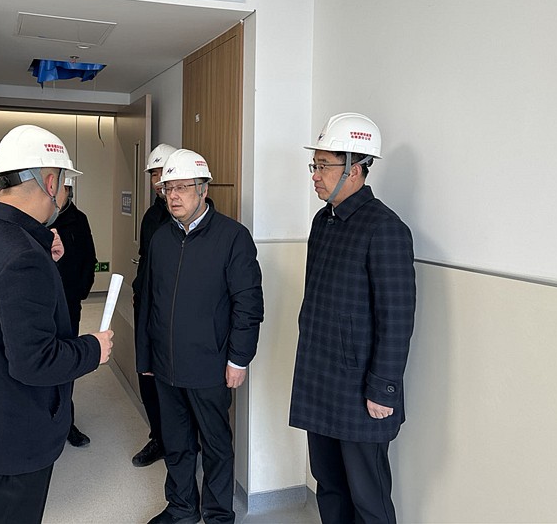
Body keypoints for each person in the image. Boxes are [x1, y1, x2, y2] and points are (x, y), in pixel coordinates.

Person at [0, 124, 113, 524]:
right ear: (51, 182)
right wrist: (93, 348)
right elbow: (35, 362)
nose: (65, 194)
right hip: (13, 446)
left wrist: (42, 255)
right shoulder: (21, 257)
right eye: (65, 184)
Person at [289, 113, 416, 524]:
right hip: (320, 379)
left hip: (362, 389)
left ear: (355, 169)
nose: (315, 176)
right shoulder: (323, 222)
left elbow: (396, 319)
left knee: (368, 499)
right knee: (329, 485)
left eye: (323, 166)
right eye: (315, 165)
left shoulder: (385, 229)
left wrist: (383, 389)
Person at [136, 149, 264, 524]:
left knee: (216, 446)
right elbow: (148, 301)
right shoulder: (161, 239)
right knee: (176, 444)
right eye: (168, 188)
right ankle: (181, 509)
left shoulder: (233, 238)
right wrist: (145, 356)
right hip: (165, 365)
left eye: (182, 188)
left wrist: (239, 359)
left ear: (203, 189)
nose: (173, 196)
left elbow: (248, 305)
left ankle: (218, 514)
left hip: (210, 365)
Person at [131, 143, 177, 467]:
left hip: (173, 310)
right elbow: (145, 259)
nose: (158, 181)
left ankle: (178, 442)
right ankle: (158, 437)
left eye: (163, 173)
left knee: (170, 376)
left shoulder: (184, 215)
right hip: (146, 303)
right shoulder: (150, 217)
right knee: (145, 372)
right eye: (153, 175)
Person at [49, 176, 98, 448]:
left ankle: (67, 422)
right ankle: (45, 421)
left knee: (68, 363)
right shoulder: (38, 218)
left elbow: (89, 258)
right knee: (42, 360)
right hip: (42, 305)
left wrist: (81, 290)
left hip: (69, 304)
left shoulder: (79, 220)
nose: (58, 194)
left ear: (68, 190)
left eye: (63, 189)